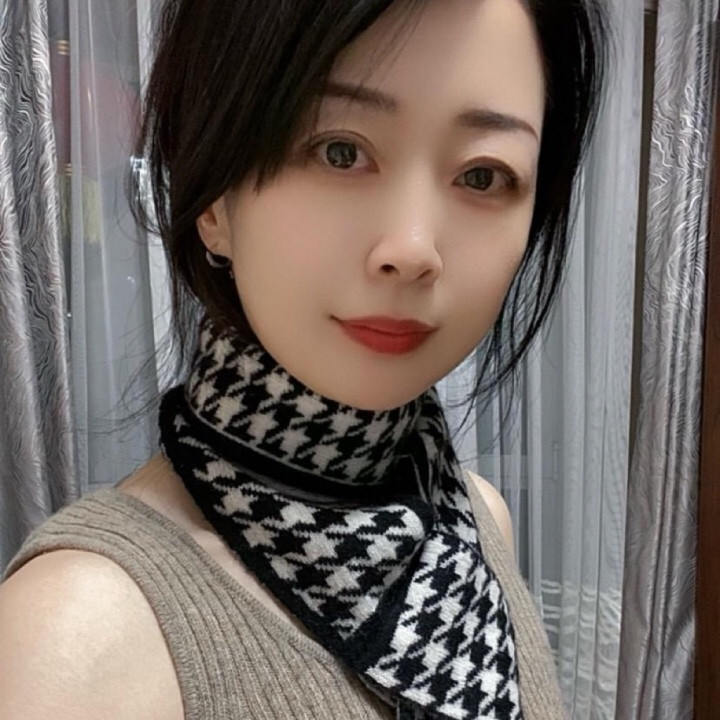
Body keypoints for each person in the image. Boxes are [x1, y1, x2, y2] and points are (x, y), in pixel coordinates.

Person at [0, 0, 606, 718]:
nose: (412, 249)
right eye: (339, 151)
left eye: (483, 176)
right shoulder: (76, 638)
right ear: (214, 199)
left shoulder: (476, 521)